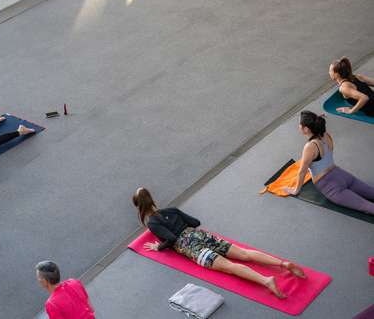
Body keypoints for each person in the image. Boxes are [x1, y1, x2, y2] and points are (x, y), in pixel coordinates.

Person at [132, 187, 306, 299]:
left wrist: (158, 246)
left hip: (189, 246)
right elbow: (195, 222)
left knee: (229, 266)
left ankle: (267, 281)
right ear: (151, 199)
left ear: (139, 206)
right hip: (199, 234)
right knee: (244, 253)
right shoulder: (172, 210)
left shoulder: (152, 223)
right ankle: (282, 263)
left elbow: (170, 239)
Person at [283, 110, 374, 214]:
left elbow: (302, 171)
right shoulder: (325, 135)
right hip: (342, 175)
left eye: (299, 124)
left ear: (306, 129)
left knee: (367, 206)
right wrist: (318, 119)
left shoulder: (310, 147)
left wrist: (295, 190)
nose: (298, 126)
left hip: (330, 186)